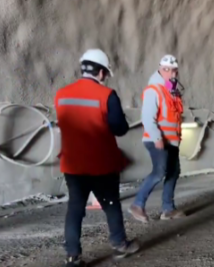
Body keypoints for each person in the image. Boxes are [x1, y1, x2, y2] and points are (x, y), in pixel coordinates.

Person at [54, 49, 139, 267]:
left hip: (72, 164)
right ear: (101, 73)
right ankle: (120, 244)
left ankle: (72, 257)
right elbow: (119, 128)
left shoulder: (61, 94)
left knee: (75, 209)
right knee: (111, 204)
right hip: (101, 163)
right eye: (106, 74)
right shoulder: (106, 95)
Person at [128, 54, 186, 223]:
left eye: (174, 71)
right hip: (158, 140)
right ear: (160, 70)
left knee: (174, 172)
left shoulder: (173, 92)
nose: (172, 74)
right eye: (167, 70)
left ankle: (168, 209)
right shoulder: (154, 90)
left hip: (172, 141)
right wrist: (156, 137)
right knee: (159, 171)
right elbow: (148, 118)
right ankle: (137, 204)